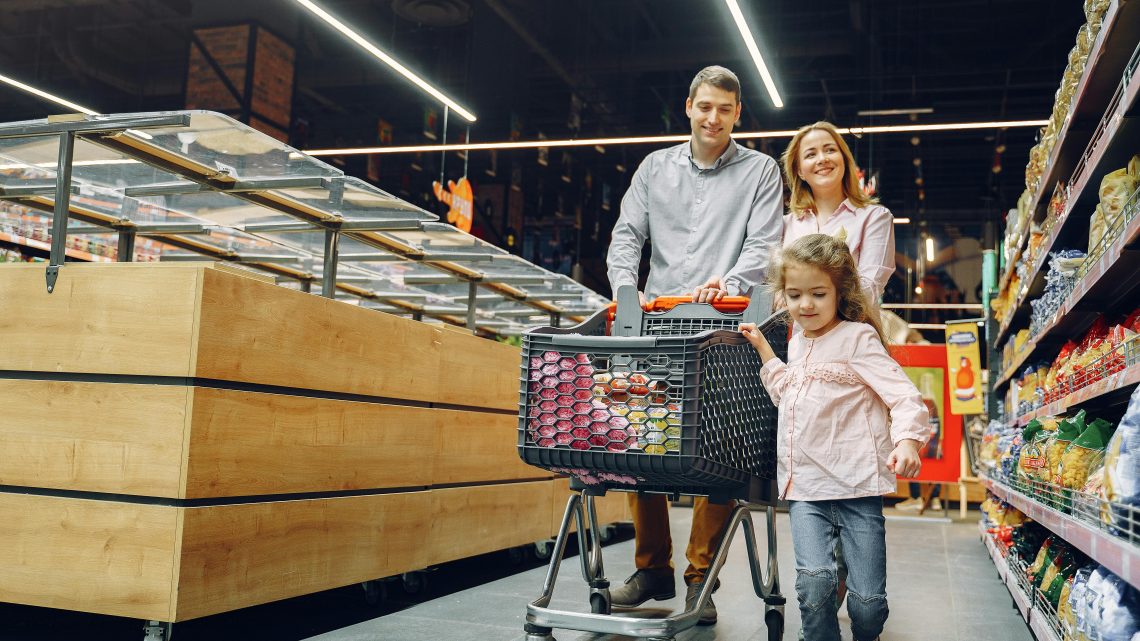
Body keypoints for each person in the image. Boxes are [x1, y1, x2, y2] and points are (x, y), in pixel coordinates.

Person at [605, 65, 784, 625]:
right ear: (688, 106)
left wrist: (729, 285)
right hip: (657, 324)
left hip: (725, 329)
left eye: (724, 110)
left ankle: (699, 578)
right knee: (643, 441)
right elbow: (627, 234)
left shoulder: (760, 171)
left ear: (737, 114)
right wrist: (625, 293)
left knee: (721, 451)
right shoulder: (653, 168)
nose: (713, 118)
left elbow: (762, 243)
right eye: (704, 107)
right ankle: (652, 566)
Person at [740, 234, 929, 641]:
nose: (805, 305)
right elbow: (789, 393)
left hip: (857, 484)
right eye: (794, 294)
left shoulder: (857, 338)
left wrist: (908, 441)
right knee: (813, 584)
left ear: (839, 292)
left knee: (867, 604)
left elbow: (903, 396)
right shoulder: (794, 340)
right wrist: (765, 354)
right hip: (806, 484)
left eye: (817, 294)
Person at [778, 120, 898, 620]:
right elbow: (783, 287)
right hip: (800, 349)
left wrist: (827, 322)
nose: (822, 158)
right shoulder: (791, 223)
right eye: (811, 153)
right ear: (798, 168)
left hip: (851, 347)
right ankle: (823, 567)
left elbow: (866, 285)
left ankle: (850, 561)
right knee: (807, 454)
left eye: (831, 150)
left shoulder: (874, 216)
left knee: (847, 451)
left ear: (846, 160)